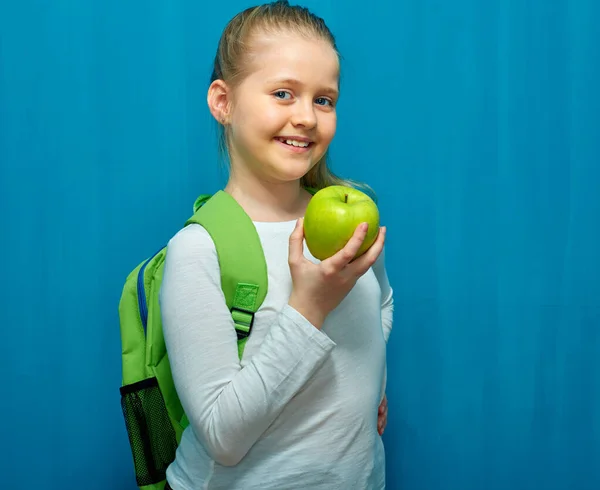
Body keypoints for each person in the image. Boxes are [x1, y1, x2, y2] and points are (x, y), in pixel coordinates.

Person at [159, 1, 394, 488]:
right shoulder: (199, 250)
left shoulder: (351, 220)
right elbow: (224, 439)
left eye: (323, 100)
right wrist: (309, 309)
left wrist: (370, 382)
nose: (306, 117)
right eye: (283, 93)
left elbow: (382, 302)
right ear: (223, 102)